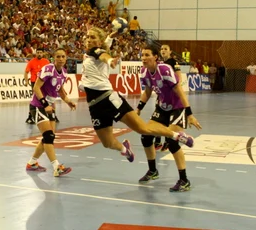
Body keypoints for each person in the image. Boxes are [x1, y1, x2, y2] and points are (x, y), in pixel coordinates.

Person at [81, 27, 195, 162]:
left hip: (108, 99)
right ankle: (125, 149)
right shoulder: (89, 53)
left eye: (92, 38)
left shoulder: (97, 51)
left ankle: (177, 136)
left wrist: (111, 61)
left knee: (143, 129)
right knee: (107, 143)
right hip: (94, 105)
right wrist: (110, 36)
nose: (89, 40)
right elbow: (104, 47)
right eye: (87, 37)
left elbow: (104, 56)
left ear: (99, 43)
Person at [136, 45, 202, 190]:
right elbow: (147, 91)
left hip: (177, 108)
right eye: (142, 55)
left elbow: (179, 90)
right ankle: (153, 170)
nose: (144, 58)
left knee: (172, 142)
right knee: (145, 136)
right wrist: (139, 108)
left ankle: (184, 180)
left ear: (155, 57)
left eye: (147, 55)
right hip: (162, 107)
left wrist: (189, 114)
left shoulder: (164, 69)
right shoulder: (144, 72)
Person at [25, 48, 76, 177]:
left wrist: (68, 101)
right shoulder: (48, 69)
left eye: (63, 56)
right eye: (58, 56)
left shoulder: (64, 72)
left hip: (49, 107)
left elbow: (60, 90)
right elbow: (36, 87)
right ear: (54, 58)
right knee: (49, 136)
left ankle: (32, 163)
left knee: (49, 138)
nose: (60, 59)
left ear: (66, 58)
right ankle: (56, 167)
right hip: (38, 106)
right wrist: (45, 104)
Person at [153, 43, 184, 151]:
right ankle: (157, 141)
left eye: (165, 49)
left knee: (166, 119)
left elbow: (179, 77)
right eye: (161, 49)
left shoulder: (173, 62)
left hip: (170, 95)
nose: (163, 50)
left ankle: (167, 142)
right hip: (161, 94)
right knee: (158, 116)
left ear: (170, 52)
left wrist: (174, 89)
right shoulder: (159, 63)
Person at [23, 49, 50, 124]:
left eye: (40, 52)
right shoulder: (32, 61)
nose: (39, 54)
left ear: (43, 53)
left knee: (45, 98)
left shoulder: (46, 61)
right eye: (38, 52)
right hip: (34, 82)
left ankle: (47, 113)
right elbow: (26, 72)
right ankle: (30, 116)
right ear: (36, 53)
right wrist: (26, 81)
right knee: (34, 98)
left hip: (43, 82)